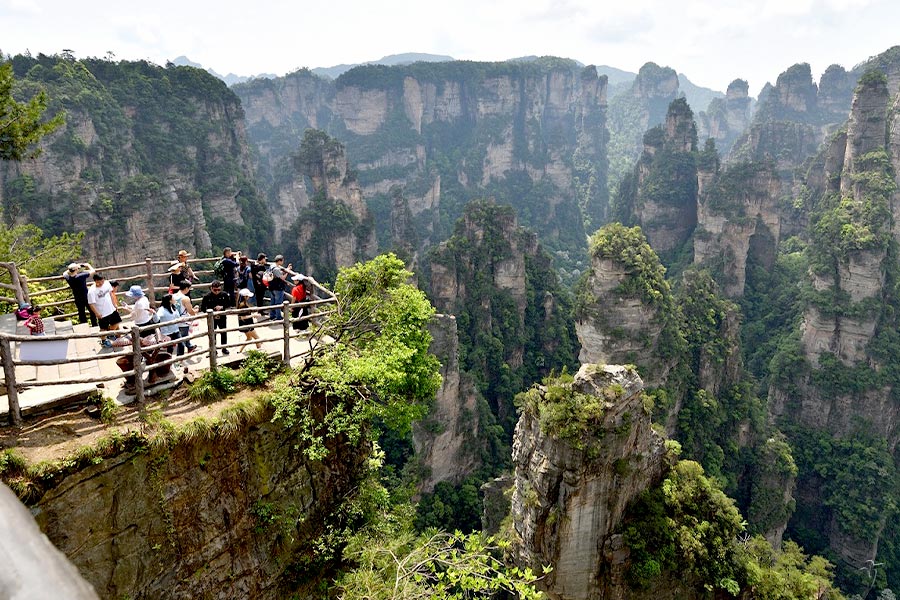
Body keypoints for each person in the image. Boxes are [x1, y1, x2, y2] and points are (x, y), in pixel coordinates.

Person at [88, 272, 122, 346]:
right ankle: (103, 341)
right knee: (103, 328)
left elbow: (111, 294)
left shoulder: (106, 283)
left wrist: (114, 304)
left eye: (102, 281)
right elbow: (91, 304)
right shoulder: (92, 291)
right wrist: (97, 313)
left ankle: (112, 334)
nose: (101, 283)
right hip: (102, 313)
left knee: (116, 322)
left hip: (111, 309)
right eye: (99, 282)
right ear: (95, 281)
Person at [200, 280, 232, 355]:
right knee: (212, 334)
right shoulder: (207, 297)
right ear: (211, 288)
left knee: (223, 333)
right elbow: (203, 308)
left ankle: (224, 348)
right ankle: (213, 349)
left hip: (222, 316)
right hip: (211, 318)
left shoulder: (224, 295)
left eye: (218, 290)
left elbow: (229, 304)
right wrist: (212, 309)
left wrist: (222, 307)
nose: (217, 291)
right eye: (215, 290)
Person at [173, 281, 199, 354]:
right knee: (182, 340)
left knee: (183, 336)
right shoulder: (185, 298)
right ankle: (180, 357)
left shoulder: (172, 296)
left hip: (174, 319)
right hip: (183, 321)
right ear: (186, 288)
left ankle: (190, 346)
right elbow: (190, 311)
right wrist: (195, 312)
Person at [268, 255, 289, 322]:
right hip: (277, 288)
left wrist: (286, 269)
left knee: (273, 302)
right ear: (280, 261)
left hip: (272, 287)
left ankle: (272, 316)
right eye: (282, 261)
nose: (283, 262)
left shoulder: (272, 266)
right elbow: (282, 278)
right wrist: (287, 272)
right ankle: (278, 317)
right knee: (278, 303)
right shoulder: (276, 269)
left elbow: (279, 274)